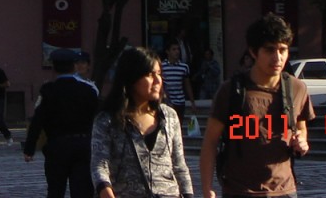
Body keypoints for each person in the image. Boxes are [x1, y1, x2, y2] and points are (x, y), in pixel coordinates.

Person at [199, 13, 314, 198]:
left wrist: (302, 142)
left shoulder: (296, 88)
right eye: (269, 50)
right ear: (253, 52)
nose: (278, 58)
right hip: (240, 190)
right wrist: (207, 188)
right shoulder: (232, 90)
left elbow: (301, 128)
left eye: (283, 50)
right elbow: (210, 142)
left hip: (284, 190)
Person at [90, 46, 193, 198]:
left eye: (159, 74)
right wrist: (106, 192)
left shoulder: (169, 116)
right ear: (131, 78)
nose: (158, 80)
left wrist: (188, 194)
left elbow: (179, 165)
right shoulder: (108, 120)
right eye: (150, 75)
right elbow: (99, 164)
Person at [23, 48, 98, 198]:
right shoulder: (88, 90)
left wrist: (29, 148)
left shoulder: (49, 90)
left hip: (57, 146)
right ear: (74, 66)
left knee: (55, 190)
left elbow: (38, 120)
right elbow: (97, 118)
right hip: (83, 145)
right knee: (82, 190)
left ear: (53, 68)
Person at [161, 41, 196, 122]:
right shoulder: (162, 66)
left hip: (180, 101)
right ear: (168, 51)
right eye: (174, 49)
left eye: (178, 49)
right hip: (167, 101)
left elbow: (187, 85)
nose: (177, 52)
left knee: (178, 124)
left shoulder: (184, 67)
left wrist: (192, 102)